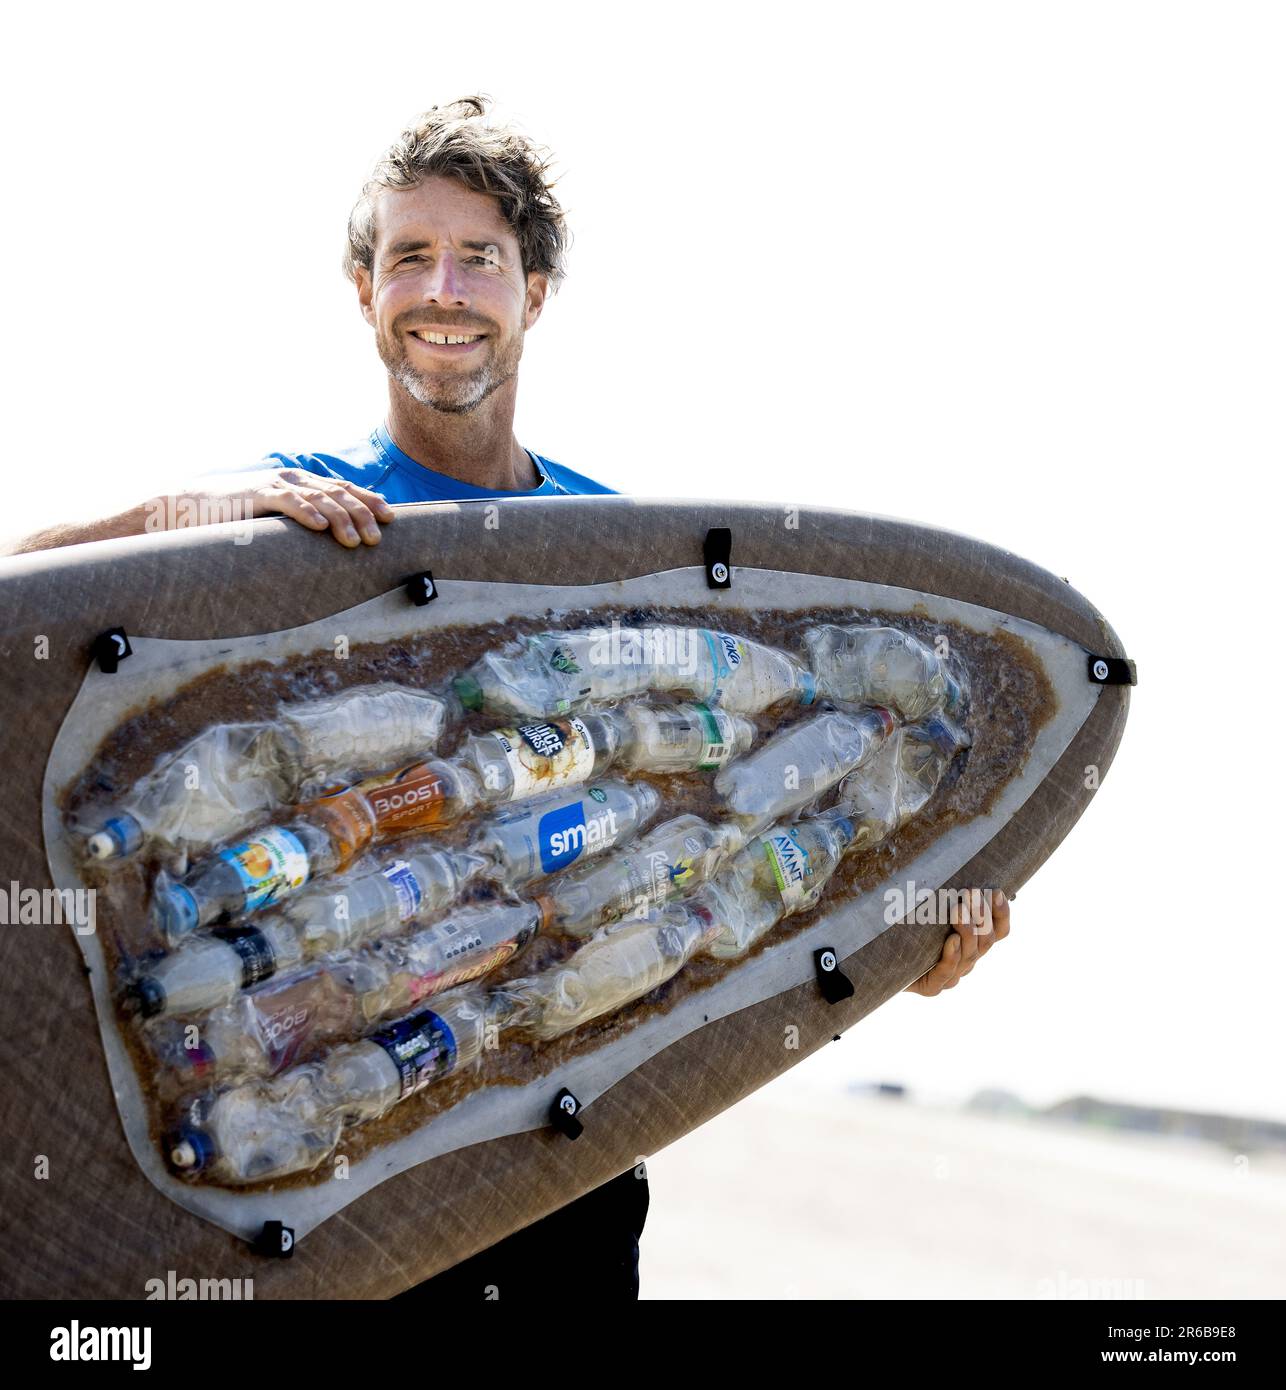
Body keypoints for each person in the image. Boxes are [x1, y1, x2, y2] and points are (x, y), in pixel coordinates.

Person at [2, 97, 1010, 1297]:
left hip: (553, 1159)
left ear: (533, 293)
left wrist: (906, 939)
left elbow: (725, 832)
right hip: (325, 1174)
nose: (444, 290)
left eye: (480, 258)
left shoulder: (611, 553)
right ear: (363, 289)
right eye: (409, 257)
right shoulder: (301, 506)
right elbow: (27, 605)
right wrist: (183, 517)